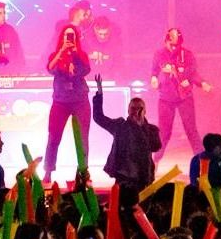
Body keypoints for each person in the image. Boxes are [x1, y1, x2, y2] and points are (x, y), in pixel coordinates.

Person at [92, 74, 162, 192]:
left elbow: (156, 146)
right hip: (123, 177)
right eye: (133, 108)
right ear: (128, 110)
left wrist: (140, 126)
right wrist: (99, 94)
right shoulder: (120, 126)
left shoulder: (151, 130)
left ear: (145, 111)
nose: (136, 111)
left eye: (139, 108)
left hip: (143, 178)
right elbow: (99, 117)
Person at [150, 29, 211, 158]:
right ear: (165, 41)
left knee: (191, 130)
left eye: (177, 45)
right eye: (171, 44)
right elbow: (154, 71)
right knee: (164, 133)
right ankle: (154, 163)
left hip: (184, 97)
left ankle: (203, 163)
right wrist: (154, 78)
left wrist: (202, 83)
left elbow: (193, 73)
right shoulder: (159, 54)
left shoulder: (187, 54)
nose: (174, 47)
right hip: (165, 98)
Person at [43, 25, 92, 183]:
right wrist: (62, 51)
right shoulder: (55, 55)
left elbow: (86, 69)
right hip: (60, 101)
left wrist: (75, 55)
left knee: (83, 137)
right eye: (66, 36)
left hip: (80, 101)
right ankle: (48, 171)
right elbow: (50, 68)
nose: (69, 39)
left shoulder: (81, 55)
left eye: (72, 36)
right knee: (54, 136)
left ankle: (83, 171)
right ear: (62, 38)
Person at [0, 1, 25, 73]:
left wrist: (21, 69)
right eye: (0, 13)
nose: (3, 15)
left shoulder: (10, 30)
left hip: (11, 72)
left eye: (4, 13)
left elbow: (19, 52)